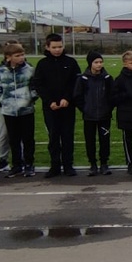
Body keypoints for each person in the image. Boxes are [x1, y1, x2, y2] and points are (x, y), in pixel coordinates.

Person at [32, 32, 81, 178]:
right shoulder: (42, 64)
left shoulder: (71, 62)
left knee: (67, 136)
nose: (57, 50)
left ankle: (68, 165)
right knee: (53, 137)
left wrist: (67, 98)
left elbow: (76, 83)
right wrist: (50, 101)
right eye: (54, 47)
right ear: (47, 47)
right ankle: (55, 166)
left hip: (68, 107)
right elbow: (38, 85)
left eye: (60, 46)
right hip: (50, 107)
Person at [0, 42, 37, 178]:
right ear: (8, 57)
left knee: (28, 139)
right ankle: (16, 165)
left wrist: (30, 99)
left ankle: (29, 164)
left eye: (22, 55)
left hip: (26, 110)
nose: (21, 58)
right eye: (17, 55)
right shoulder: (1, 71)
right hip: (9, 111)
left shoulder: (29, 70)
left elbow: (35, 87)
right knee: (13, 139)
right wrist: (4, 101)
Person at [75, 51, 115, 176]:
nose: (99, 64)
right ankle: (92, 164)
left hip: (104, 116)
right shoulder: (83, 79)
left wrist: (108, 108)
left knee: (105, 140)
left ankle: (104, 163)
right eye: (96, 62)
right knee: (90, 141)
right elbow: (77, 96)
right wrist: (85, 109)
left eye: (101, 62)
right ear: (90, 63)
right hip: (89, 117)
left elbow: (113, 95)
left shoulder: (107, 78)